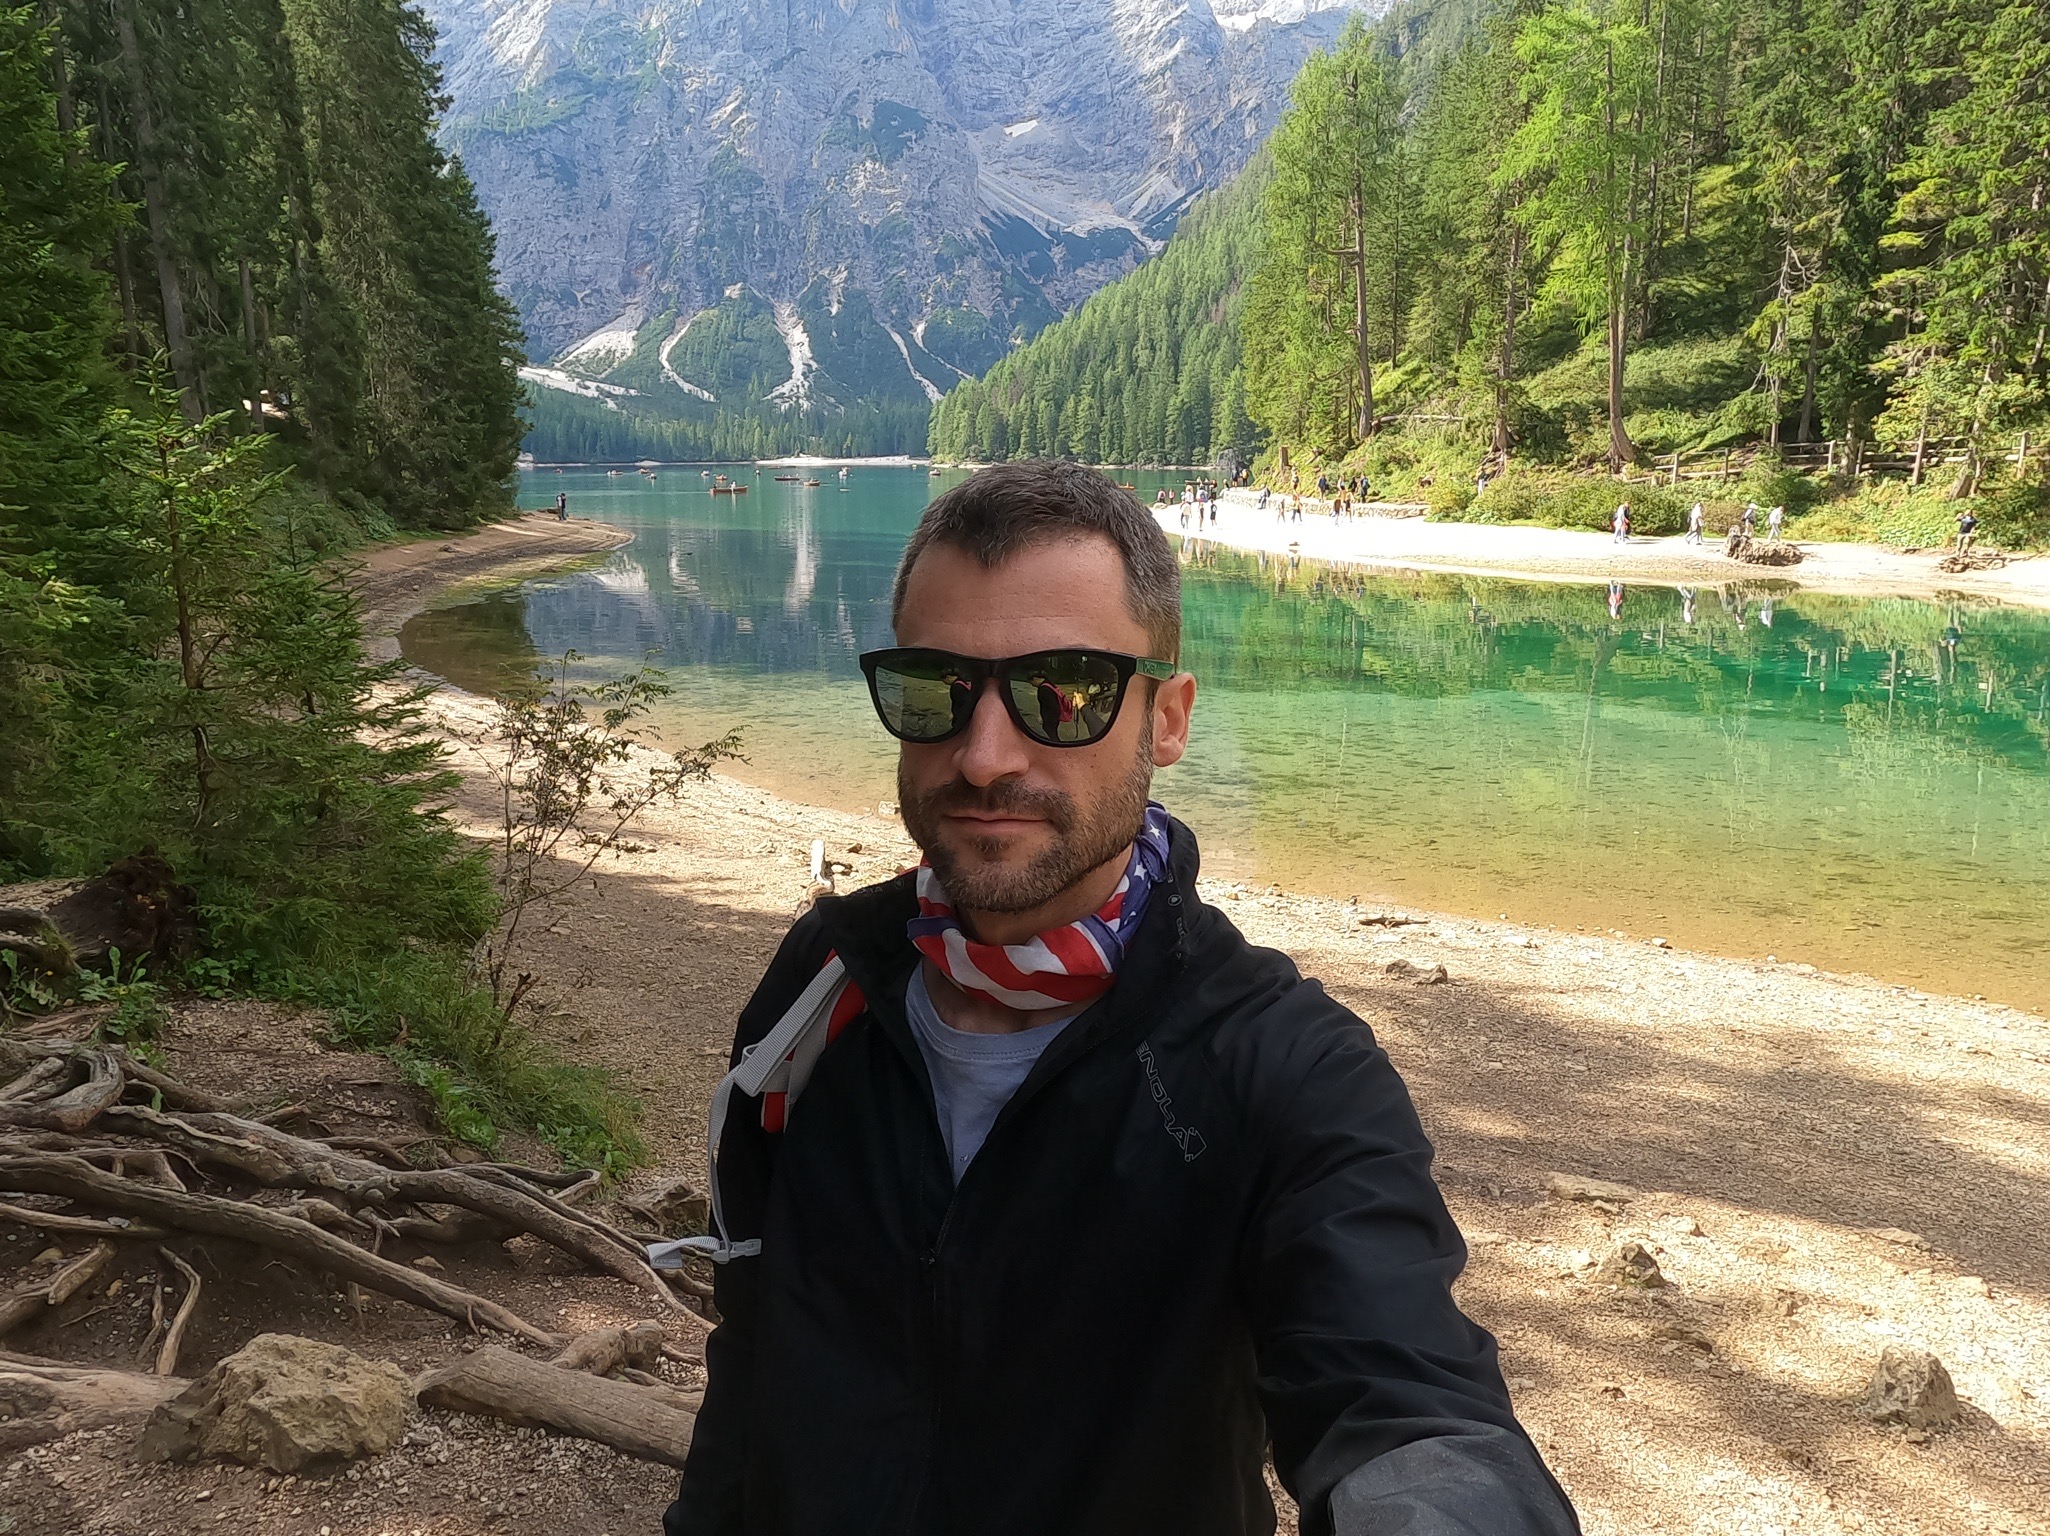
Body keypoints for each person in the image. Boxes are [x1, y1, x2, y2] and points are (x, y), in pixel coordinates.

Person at [661, 461, 1577, 1536]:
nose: (984, 756)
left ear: (1168, 719)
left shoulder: (1280, 1067)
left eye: (1065, 692)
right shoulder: (825, 984)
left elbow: (1403, 1401)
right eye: (933, 688)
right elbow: (753, 1349)